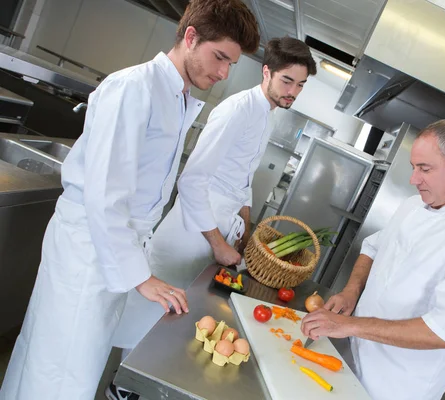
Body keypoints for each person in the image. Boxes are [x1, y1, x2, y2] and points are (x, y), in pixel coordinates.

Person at [0, 1, 260, 400]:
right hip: (87, 248)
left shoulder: (176, 97)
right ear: (191, 37)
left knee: (62, 361)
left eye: (231, 64)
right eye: (219, 57)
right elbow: (106, 194)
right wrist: (141, 277)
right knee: (62, 369)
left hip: (114, 249)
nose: (224, 72)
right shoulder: (134, 88)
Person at [110, 35, 316, 372]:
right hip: (191, 230)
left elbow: (244, 178)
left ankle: (151, 376)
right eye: (287, 80)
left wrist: (246, 229)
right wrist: (218, 242)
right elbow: (191, 180)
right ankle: (122, 383)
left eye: (300, 85)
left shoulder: (267, 113)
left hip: (218, 227)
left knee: (181, 315)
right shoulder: (237, 109)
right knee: (149, 315)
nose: (292, 90)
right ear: (267, 72)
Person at [301, 120, 445, 400]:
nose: (414, 179)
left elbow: (444, 332)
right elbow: (373, 248)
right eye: (414, 167)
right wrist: (351, 292)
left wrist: (347, 325)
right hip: (353, 359)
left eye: (424, 169)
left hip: (396, 387)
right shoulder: (413, 206)